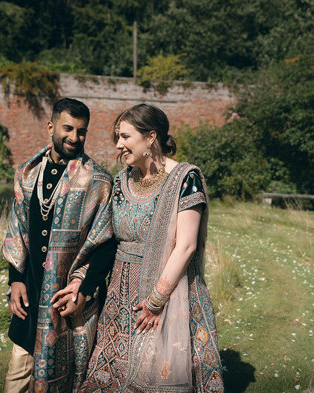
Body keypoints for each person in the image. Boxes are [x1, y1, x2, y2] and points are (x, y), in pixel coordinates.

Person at [80, 104, 224, 392]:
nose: (118, 144)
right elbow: (107, 238)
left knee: (158, 373)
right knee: (111, 375)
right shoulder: (121, 181)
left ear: (150, 137)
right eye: (117, 137)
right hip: (120, 298)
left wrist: (157, 301)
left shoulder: (185, 179)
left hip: (170, 292)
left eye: (125, 136)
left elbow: (185, 245)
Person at [2, 98, 116, 393]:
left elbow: (105, 244)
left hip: (69, 300)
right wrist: (15, 280)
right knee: (17, 376)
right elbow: (17, 229)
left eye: (82, 131)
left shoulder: (98, 181)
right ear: (51, 127)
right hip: (31, 294)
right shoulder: (28, 175)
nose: (75, 137)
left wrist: (86, 289)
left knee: (68, 379)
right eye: (68, 128)